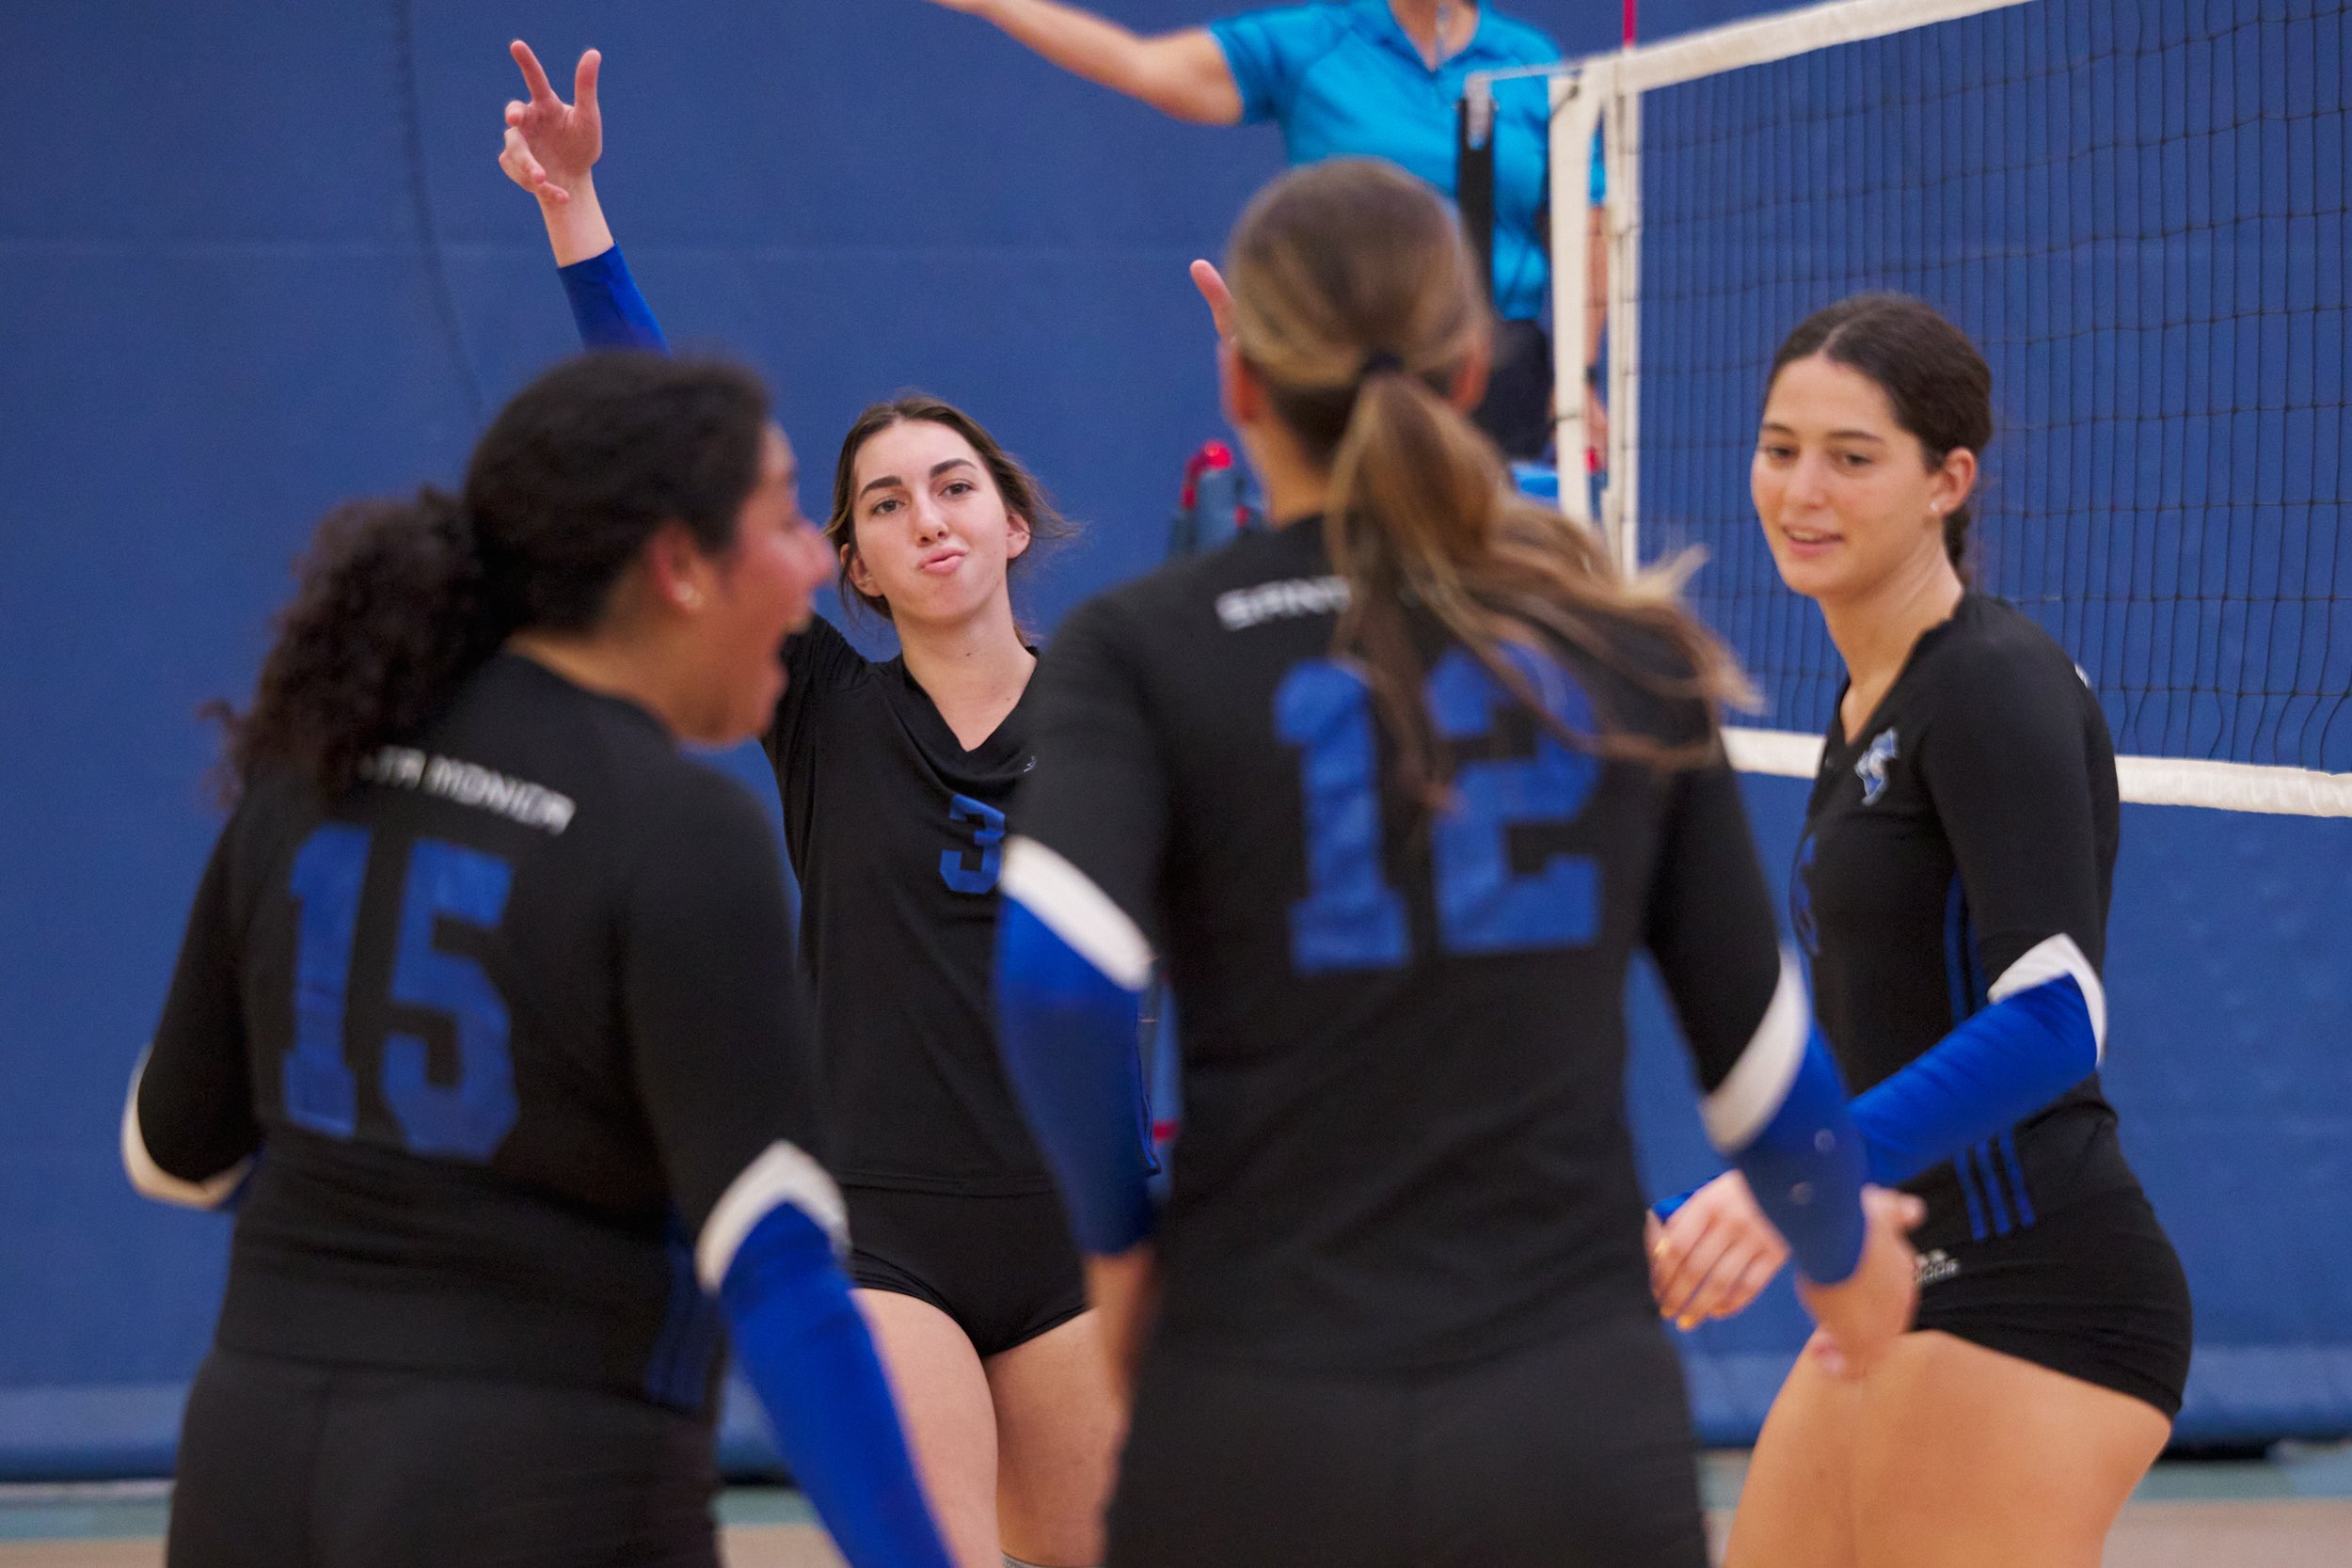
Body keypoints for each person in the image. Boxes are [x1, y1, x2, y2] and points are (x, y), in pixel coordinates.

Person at [988, 157, 1923, 1568]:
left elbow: (1058, 987)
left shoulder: (1142, 644)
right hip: (1564, 1416)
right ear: (1477, 367)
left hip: (1256, 1404)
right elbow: (1756, 1054)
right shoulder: (1625, 642)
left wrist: (1122, 1259)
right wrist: (1850, 1272)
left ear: (1240, 384)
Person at [125, 353, 956, 1568]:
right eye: (783, 518)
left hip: (251, 1462)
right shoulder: (677, 827)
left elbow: (172, 1146)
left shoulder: (316, 758)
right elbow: (781, 1272)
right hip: (538, 1483)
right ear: (679, 566)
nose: (817, 559)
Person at [497, 44, 1120, 1568]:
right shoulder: (828, 712)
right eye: (887, 502)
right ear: (848, 565)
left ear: (1013, 518)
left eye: (955, 483)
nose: (928, 514)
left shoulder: (1119, 713)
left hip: (1082, 1240)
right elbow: (673, 461)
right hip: (887, 1229)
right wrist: (577, 209)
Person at [1646, 293, 2193, 1568]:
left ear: (1950, 478)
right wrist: (1702, 1211)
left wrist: (1797, 1182)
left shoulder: (1990, 681)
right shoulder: (1859, 707)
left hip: (2045, 1283)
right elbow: (1881, 1033)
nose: (1803, 490)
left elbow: (2057, 1016)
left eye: (1852, 456)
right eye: (1780, 448)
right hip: (1900, 1281)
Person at [920, 0, 1606, 464]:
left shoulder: (1530, 60)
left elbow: (1591, 227)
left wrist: (1575, 378)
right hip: (1344, 369)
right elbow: (1142, 64)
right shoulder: (1315, 42)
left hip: (1500, 374)